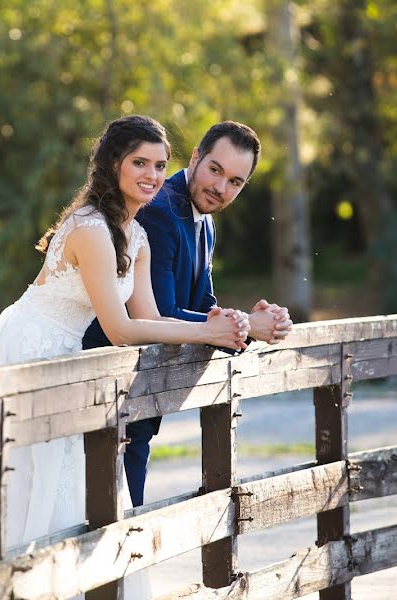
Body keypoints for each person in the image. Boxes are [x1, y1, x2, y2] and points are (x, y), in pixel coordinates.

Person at [0, 116, 251, 595]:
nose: (152, 176)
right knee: (19, 481)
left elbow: (151, 318)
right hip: (29, 348)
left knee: (67, 484)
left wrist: (211, 327)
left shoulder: (136, 238)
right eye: (139, 163)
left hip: (66, 355)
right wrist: (209, 331)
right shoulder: (92, 229)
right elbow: (120, 329)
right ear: (114, 164)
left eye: (159, 165)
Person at [83, 120, 294, 507]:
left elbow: (202, 308)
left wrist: (247, 320)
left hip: (138, 396)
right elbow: (159, 314)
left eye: (235, 182)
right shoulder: (160, 211)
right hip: (107, 389)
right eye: (215, 170)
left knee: (123, 516)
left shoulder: (204, 221)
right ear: (195, 157)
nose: (221, 188)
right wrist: (246, 326)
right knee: (108, 515)